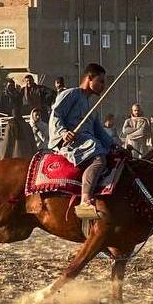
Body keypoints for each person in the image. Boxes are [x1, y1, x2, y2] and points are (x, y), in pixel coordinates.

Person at [49, 63, 112, 221]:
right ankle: (85, 200)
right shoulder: (71, 94)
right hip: (71, 142)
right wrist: (63, 133)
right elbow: (55, 115)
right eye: (101, 81)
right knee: (99, 158)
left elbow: (101, 133)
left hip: (87, 142)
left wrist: (115, 146)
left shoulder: (91, 106)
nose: (103, 86)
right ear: (89, 78)